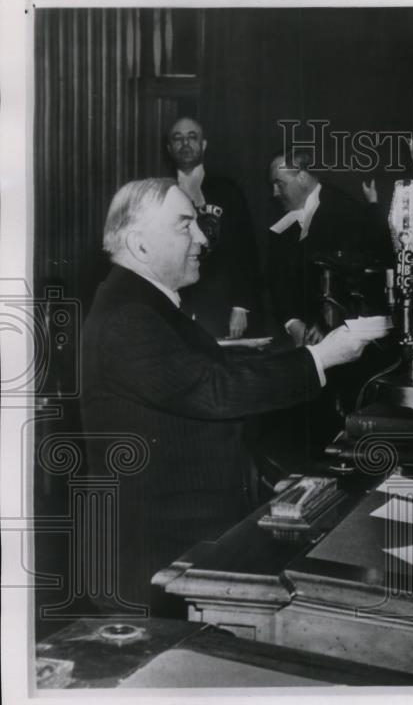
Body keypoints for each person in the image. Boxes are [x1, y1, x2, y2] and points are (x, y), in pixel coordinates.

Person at [80, 178, 382, 614]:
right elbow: (214, 392)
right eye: (186, 226)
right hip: (152, 561)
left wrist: (269, 481)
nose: (203, 238)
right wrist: (321, 357)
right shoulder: (128, 316)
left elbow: (202, 404)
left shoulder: (148, 303)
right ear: (139, 245)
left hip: (185, 536)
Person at [268, 148, 392, 347]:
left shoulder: (343, 211)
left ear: (302, 177)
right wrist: (292, 323)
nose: (274, 193)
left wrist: (326, 324)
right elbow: (277, 281)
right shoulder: (281, 220)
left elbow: (359, 281)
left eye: (279, 184)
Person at [166, 116, 260, 340]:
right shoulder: (160, 190)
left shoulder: (227, 190)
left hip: (220, 304)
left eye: (192, 137)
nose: (185, 144)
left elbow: (246, 251)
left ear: (204, 144)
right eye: (177, 139)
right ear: (169, 148)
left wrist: (240, 306)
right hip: (174, 300)